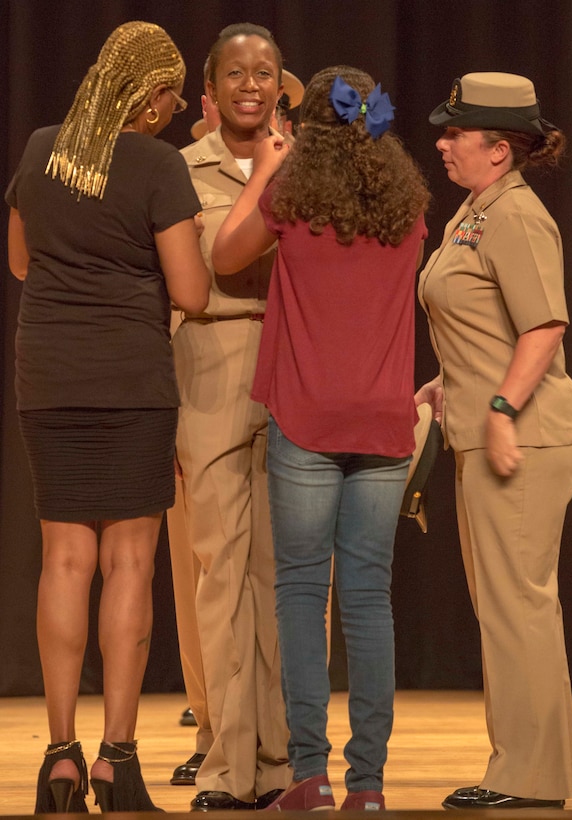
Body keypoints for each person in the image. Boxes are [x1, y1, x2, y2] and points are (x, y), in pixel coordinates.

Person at [5, 21, 210, 813]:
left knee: (63, 561)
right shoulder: (157, 164)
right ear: (145, 94)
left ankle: (58, 757)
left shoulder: (41, 149)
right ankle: (116, 762)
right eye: (172, 88)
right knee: (129, 564)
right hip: (130, 379)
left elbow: (22, 261)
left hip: (48, 377)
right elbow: (191, 292)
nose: (178, 103)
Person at [212, 64, 430, 811]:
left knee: (303, 595)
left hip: (305, 420)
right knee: (369, 600)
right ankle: (368, 788)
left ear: (310, 129)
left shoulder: (290, 201)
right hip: (381, 424)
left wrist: (268, 166)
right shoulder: (410, 212)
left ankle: (310, 777)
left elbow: (224, 256)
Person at [415, 72, 572, 810]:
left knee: (518, 604)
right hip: (486, 428)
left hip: (523, 436)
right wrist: (447, 381)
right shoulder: (476, 210)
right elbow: (483, 323)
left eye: (456, 132)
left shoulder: (516, 215)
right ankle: (524, 765)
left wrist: (498, 404)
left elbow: (544, 326)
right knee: (507, 605)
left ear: (500, 147)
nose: (442, 142)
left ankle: (530, 775)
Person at [166, 23, 294, 811]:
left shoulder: (313, 169)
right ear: (211, 90)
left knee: (283, 580)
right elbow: (218, 262)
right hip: (209, 369)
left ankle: (279, 760)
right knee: (221, 574)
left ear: (282, 85)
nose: (252, 83)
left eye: (266, 71)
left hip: (291, 372)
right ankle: (224, 758)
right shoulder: (178, 170)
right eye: (237, 73)